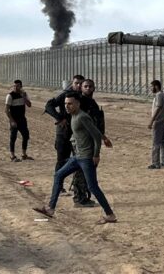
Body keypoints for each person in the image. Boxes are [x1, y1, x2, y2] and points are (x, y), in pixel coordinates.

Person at [33, 92, 117, 224]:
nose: (67, 106)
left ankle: (110, 215)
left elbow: (95, 135)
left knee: (93, 187)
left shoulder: (82, 117)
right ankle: (50, 209)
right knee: (59, 175)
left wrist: (96, 154)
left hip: (86, 158)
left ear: (78, 103)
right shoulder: (73, 116)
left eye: (70, 103)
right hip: (77, 157)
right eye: (66, 104)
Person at [71, 78, 112, 207]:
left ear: (94, 88)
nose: (88, 88)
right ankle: (80, 198)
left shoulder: (92, 103)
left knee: (85, 169)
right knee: (82, 170)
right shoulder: (79, 102)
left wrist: (103, 137)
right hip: (82, 142)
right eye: (85, 86)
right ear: (81, 88)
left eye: (90, 86)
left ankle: (82, 195)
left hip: (90, 141)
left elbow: (95, 125)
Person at [44, 74, 85, 193]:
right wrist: (59, 118)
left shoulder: (82, 97)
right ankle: (59, 186)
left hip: (77, 134)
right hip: (64, 133)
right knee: (61, 160)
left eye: (80, 84)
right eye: (76, 83)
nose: (78, 86)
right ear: (72, 83)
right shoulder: (65, 95)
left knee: (80, 160)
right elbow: (49, 105)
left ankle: (77, 186)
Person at [7, 79, 33, 162]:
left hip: (22, 119)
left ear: (21, 86)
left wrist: (24, 97)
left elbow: (29, 105)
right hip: (14, 120)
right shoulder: (10, 96)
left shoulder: (24, 94)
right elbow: (6, 110)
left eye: (17, 86)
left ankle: (24, 154)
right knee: (13, 137)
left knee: (26, 136)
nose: (15, 87)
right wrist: (12, 120)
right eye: (14, 86)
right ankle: (12, 156)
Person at [147, 80, 164, 169]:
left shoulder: (159, 95)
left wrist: (151, 121)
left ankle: (156, 163)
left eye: (151, 86)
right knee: (163, 142)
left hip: (159, 121)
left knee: (156, 143)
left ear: (156, 86)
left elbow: (158, 108)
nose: (151, 88)